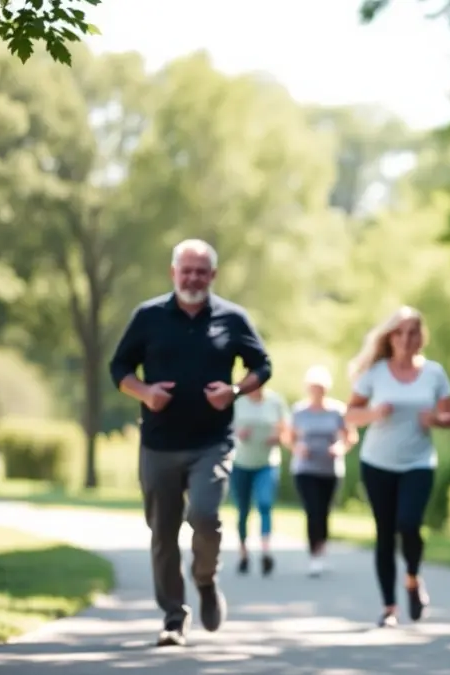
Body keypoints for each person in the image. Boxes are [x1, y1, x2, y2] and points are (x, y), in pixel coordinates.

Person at [108, 238, 272, 648]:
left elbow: (262, 365)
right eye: (187, 270)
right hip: (158, 444)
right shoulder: (148, 316)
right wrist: (144, 393)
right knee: (163, 533)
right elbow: (119, 367)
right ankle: (173, 617)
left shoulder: (232, 318)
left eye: (201, 271)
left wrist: (235, 391)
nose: (193, 278)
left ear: (212, 275)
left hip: (211, 442)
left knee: (204, 516)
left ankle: (205, 580)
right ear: (173, 272)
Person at [346, 306, 450, 628]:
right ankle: (389, 608)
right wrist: (373, 413)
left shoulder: (434, 373)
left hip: (418, 462)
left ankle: (412, 578)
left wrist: (435, 419)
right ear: (390, 337)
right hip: (377, 462)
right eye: (400, 332)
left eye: (413, 332)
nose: (406, 339)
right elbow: (350, 414)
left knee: (409, 524)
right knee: (384, 533)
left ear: (421, 337)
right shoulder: (375, 373)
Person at [285, 365, 350, 577]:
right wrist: (298, 448)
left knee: (324, 512)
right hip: (305, 468)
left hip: (330, 469)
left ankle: (322, 549)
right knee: (312, 510)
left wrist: (339, 448)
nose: (317, 391)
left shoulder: (337, 410)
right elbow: (288, 437)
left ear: (326, 389)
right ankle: (314, 555)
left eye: (320, 388)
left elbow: (349, 437)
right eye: (313, 387)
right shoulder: (299, 411)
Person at [230, 383, 290, 576]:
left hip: (267, 463)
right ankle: (243, 553)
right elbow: (226, 429)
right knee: (243, 510)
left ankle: (265, 551)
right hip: (241, 463)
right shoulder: (238, 402)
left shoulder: (275, 401)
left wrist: (277, 436)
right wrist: (238, 433)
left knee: (265, 504)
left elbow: (287, 430)